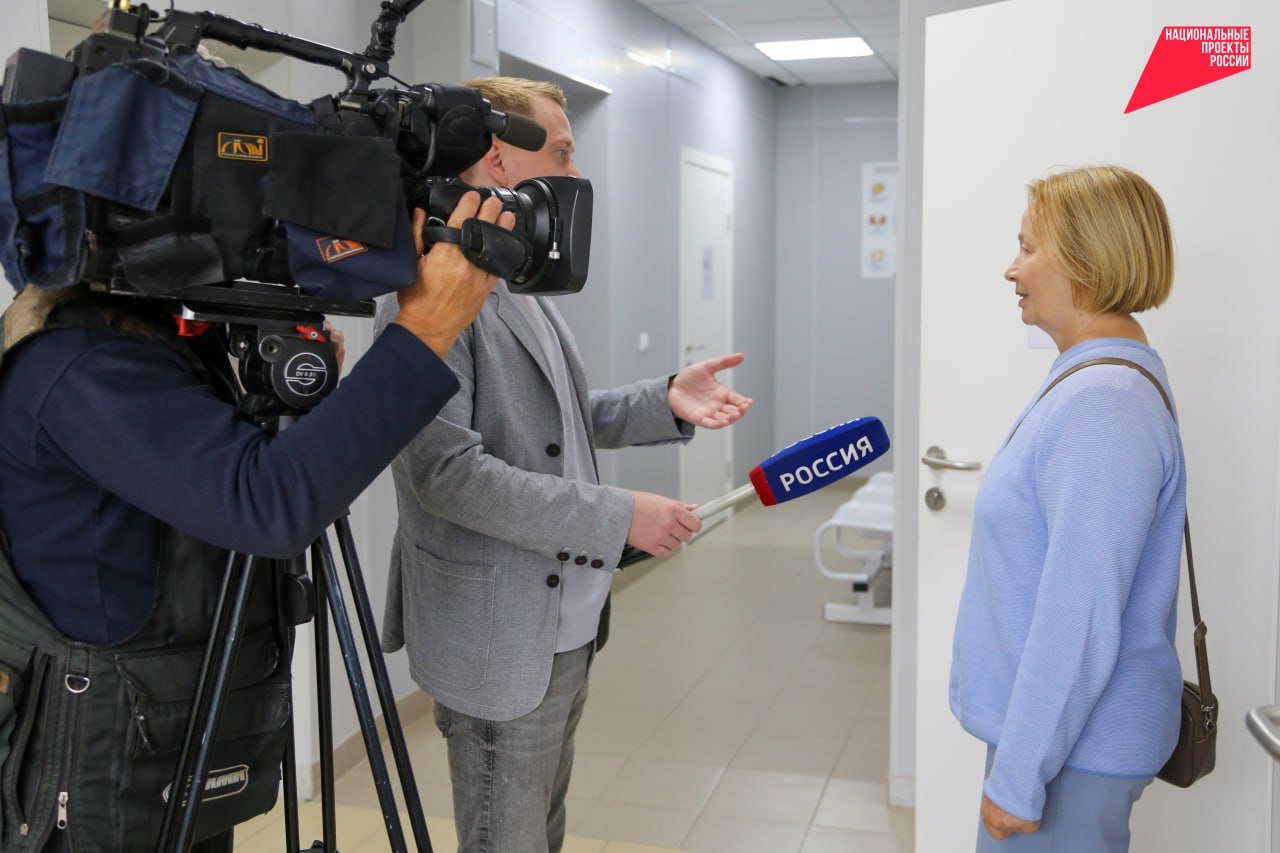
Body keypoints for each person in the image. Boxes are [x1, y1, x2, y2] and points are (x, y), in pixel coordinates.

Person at [0, 191, 514, 853]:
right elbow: (266, 504)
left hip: (166, 745)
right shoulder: (84, 360)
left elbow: (226, 480)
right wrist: (425, 331)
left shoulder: (158, 337)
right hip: (94, 785)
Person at [374, 76, 753, 853]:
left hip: (562, 629)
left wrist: (663, 400)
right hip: (497, 640)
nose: (576, 172)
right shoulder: (430, 294)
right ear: (498, 159)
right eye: (561, 151)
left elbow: (555, 425)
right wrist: (620, 517)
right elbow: (445, 475)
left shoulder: (520, 282)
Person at [949, 165, 1184, 851]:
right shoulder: (1097, 378)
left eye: (1028, 248)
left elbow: (1079, 613)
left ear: (1086, 260)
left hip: (1069, 757)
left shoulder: (1105, 402)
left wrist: (1019, 777)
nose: (1011, 269)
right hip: (1064, 745)